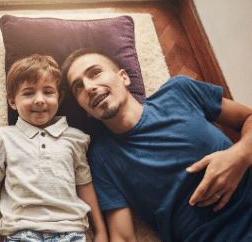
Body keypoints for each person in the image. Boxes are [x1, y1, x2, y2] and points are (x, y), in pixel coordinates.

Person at [61, 48, 252, 242]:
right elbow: (122, 237)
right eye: (78, 87)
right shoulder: (101, 156)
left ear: (124, 78)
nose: (88, 87)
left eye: (95, 73)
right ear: (85, 109)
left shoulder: (180, 91)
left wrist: (241, 155)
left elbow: (249, 117)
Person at [0, 54, 108, 242]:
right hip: (20, 231)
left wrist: (100, 231)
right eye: (28, 93)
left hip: (70, 231)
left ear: (59, 98)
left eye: (48, 92)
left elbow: (84, 184)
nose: (39, 100)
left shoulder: (76, 138)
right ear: (12, 101)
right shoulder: (4, 137)